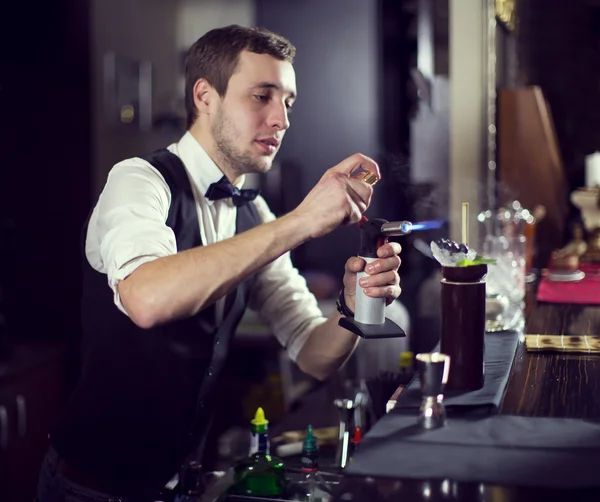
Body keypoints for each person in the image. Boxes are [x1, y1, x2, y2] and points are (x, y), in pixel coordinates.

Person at [36, 25, 402, 501]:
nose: (281, 119)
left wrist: (353, 309)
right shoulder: (138, 181)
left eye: (287, 102)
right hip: (89, 489)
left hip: (182, 485)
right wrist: (301, 222)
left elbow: (314, 354)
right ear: (205, 96)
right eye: (261, 95)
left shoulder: (254, 214)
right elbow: (146, 298)